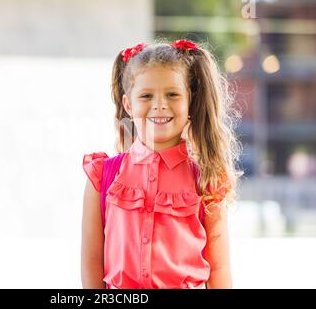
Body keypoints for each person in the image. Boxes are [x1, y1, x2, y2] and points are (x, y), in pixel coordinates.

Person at [81, 39, 243, 289]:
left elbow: (219, 268)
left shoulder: (207, 179)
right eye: (146, 95)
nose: (159, 104)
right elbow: (92, 260)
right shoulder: (102, 177)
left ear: (190, 102)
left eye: (172, 94)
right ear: (128, 104)